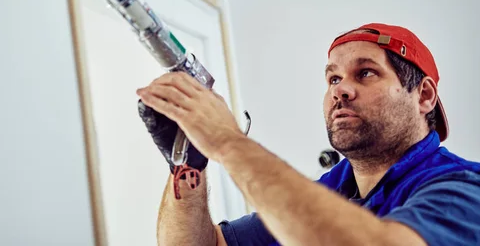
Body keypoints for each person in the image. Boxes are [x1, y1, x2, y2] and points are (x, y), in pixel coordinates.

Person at [136, 22, 480, 245]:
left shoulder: (461, 190)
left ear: (423, 96)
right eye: (333, 78)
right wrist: (187, 165)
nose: (340, 90)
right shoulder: (335, 189)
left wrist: (227, 141)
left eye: (366, 73)